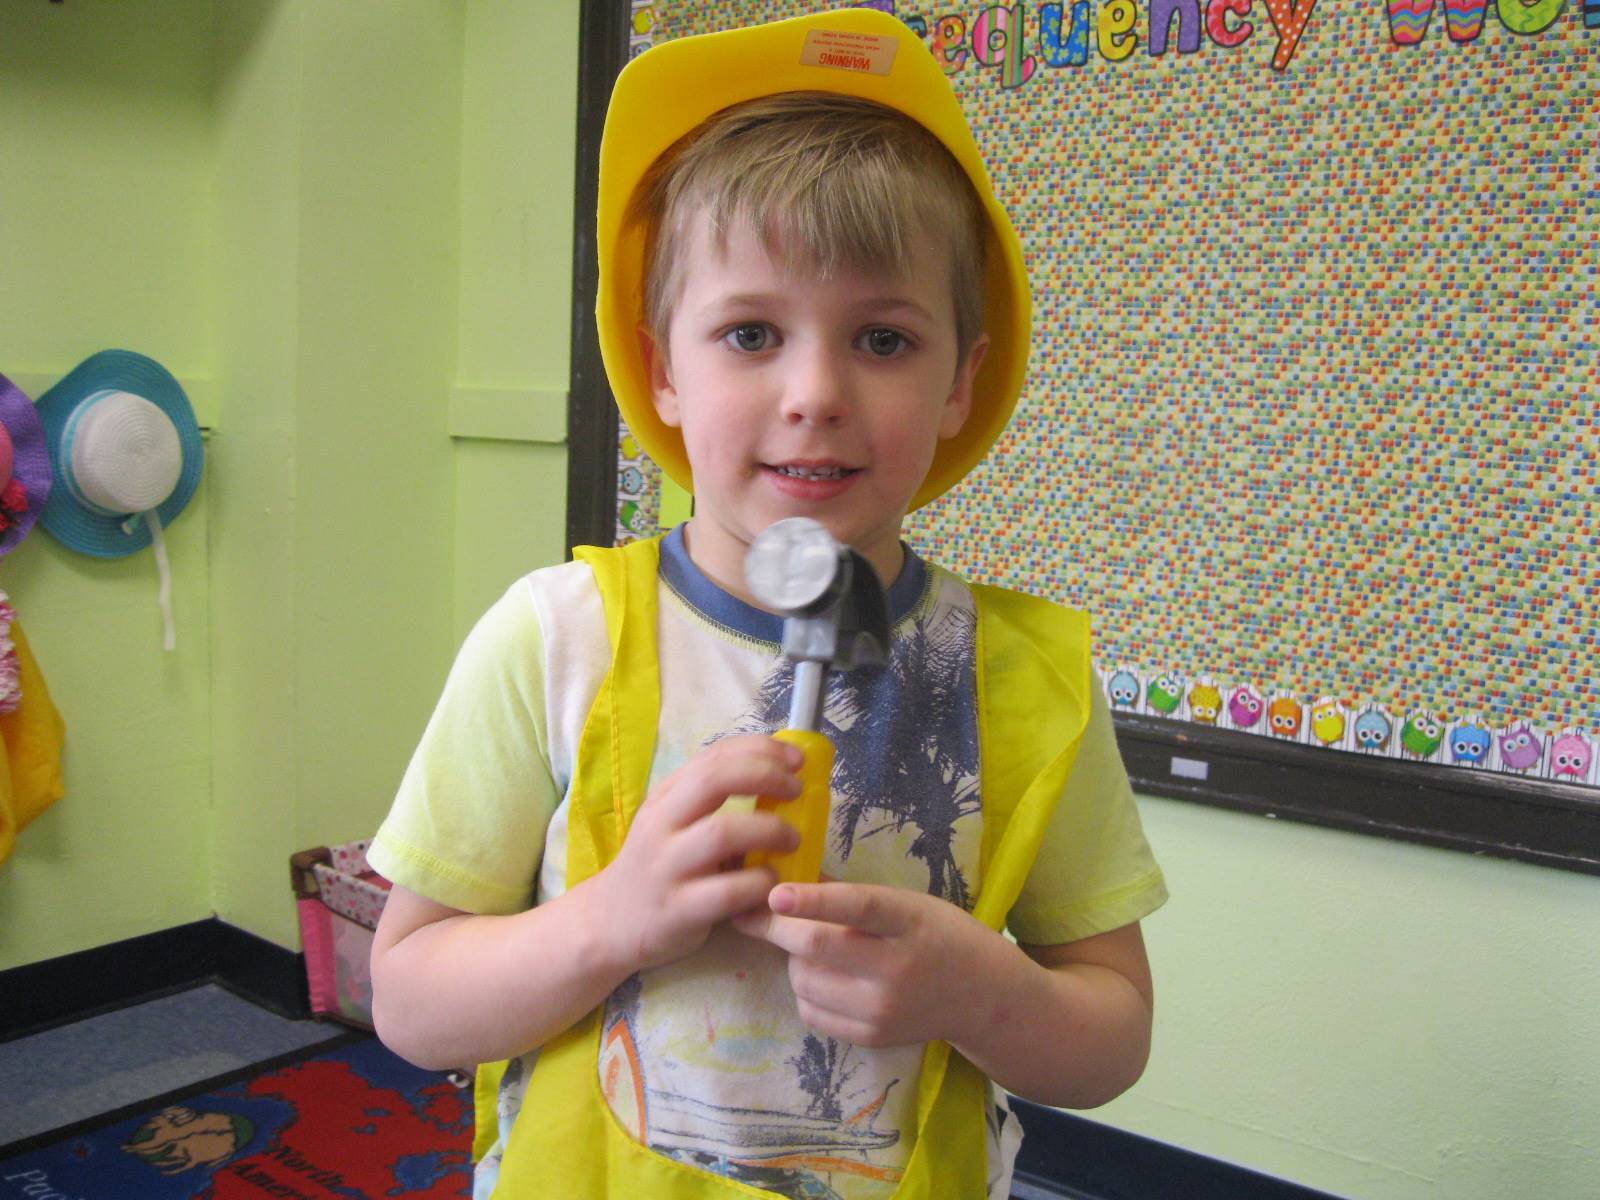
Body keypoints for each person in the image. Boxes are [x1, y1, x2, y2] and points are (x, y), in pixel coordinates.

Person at [368, 10, 1167, 1199]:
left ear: (961, 380)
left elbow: (1112, 1037)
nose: (814, 394)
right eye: (750, 332)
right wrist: (611, 919)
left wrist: (978, 991)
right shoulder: (553, 640)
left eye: (883, 339)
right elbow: (410, 1005)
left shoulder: (1026, 682)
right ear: (662, 373)